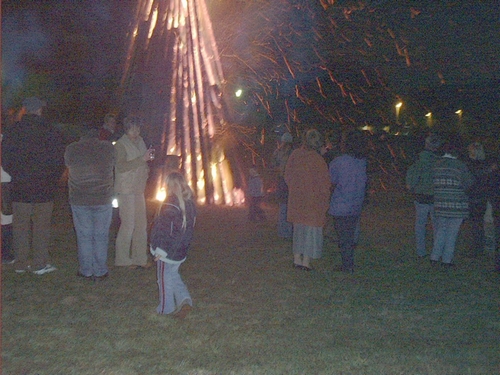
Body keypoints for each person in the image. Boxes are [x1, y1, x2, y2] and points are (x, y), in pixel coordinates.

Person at [2, 97, 65, 275]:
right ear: (39, 110)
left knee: (20, 226)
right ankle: (39, 264)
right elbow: (58, 159)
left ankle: (20, 263)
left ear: (24, 110)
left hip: (20, 186)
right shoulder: (50, 130)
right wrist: (53, 179)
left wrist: (16, 174)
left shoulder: (13, 130)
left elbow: (5, 159)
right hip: (44, 187)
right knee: (41, 226)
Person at [65, 128, 116, 280]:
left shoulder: (72, 149)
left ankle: (86, 270)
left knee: (84, 236)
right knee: (101, 235)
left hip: (80, 198)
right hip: (102, 197)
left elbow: (68, 165)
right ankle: (100, 270)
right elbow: (113, 163)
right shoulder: (107, 148)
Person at [150, 172, 196, 318]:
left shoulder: (170, 203)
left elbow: (165, 230)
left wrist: (161, 250)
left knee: (164, 279)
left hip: (167, 251)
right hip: (179, 250)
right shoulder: (189, 202)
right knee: (173, 275)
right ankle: (184, 299)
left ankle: (165, 308)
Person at [284, 129, 330, 271]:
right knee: (310, 230)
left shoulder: (295, 154)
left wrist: (295, 187)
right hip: (312, 201)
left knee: (299, 229)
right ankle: (306, 261)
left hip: (297, 199)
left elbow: (287, 175)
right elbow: (324, 183)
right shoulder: (318, 160)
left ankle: (297, 258)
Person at [114, 116, 154, 268]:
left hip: (138, 188)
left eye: (138, 129)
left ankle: (140, 258)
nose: (136, 132)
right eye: (133, 129)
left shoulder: (141, 141)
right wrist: (142, 160)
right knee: (128, 224)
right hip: (126, 189)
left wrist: (146, 168)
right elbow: (121, 166)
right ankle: (122, 259)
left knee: (141, 225)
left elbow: (141, 162)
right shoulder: (120, 145)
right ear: (126, 129)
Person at [430, 135, 474, 267]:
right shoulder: (459, 166)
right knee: (452, 233)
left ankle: (434, 256)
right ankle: (447, 260)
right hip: (456, 204)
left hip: (440, 203)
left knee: (440, 230)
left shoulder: (436, 165)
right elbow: (468, 183)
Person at [328, 131, 368, 273]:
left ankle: (347, 265)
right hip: (356, 204)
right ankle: (348, 262)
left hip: (341, 205)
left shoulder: (339, 162)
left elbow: (331, 182)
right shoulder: (362, 162)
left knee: (343, 237)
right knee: (350, 235)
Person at [405, 134, 443, 259]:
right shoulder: (439, 161)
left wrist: (412, 186)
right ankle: (437, 251)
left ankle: (421, 251)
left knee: (420, 224)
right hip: (436, 196)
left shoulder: (419, 160)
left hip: (421, 197)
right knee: (437, 225)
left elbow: (411, 182)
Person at [464, 142, 490, 257]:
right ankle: (478, 246)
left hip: (475, 197)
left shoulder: (473, 165)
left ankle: (477, 248)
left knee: (476, 223)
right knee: (477, 223)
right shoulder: (484, 165)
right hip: (480, 197)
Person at [272, 132, 293, 238]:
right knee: (288, 207)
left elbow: (273, 166)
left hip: (281, 181)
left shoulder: (277, 152)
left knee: (283, 207)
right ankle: (288, 231)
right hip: (288, 181)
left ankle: (282, 231)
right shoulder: (292, 153)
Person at [1, 134, 14, 264]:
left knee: (6, 217)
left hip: (5, 181)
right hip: (4, 181)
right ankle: (4, 253)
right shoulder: (6, 140)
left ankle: (5, 253)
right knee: (6, 218)